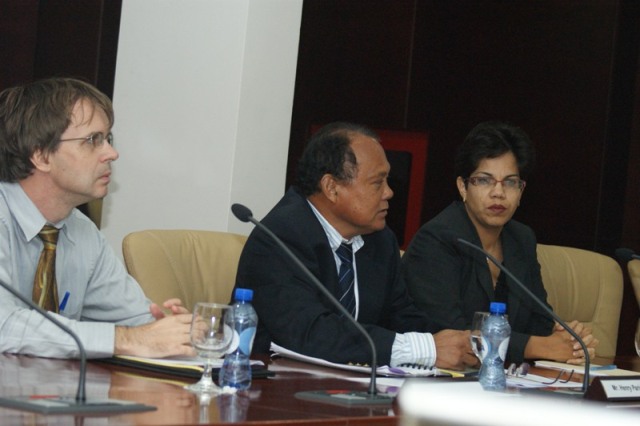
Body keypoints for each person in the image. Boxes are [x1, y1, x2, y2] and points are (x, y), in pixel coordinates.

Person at [234, 122, 476, 370]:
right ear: (332, 187)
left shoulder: (380, 240)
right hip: (278, 384)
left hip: (356, 384)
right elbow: (310, 333)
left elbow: (402, 317)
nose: (389, 192)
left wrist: (460, 343)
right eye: (377, 182)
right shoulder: (278, 238)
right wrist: (423, 349)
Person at [0, 77, 194, 359]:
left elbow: (136, 320)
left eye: (108, 139)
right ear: (41, 156)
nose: (112, 153)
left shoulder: (82, 232)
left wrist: (175, 331)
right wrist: (128, 339)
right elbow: (4, 326)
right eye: (93, 140)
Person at [401, 121, 598, 365]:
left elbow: (539, 320)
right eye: (484, 180)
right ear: (463, 187)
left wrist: (567, 340)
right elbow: (454, 335)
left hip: (504, 378)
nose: (498, 193)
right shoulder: (436, 240)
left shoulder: (521, 239)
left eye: (510, 182)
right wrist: (542, 346)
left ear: (521, 191)